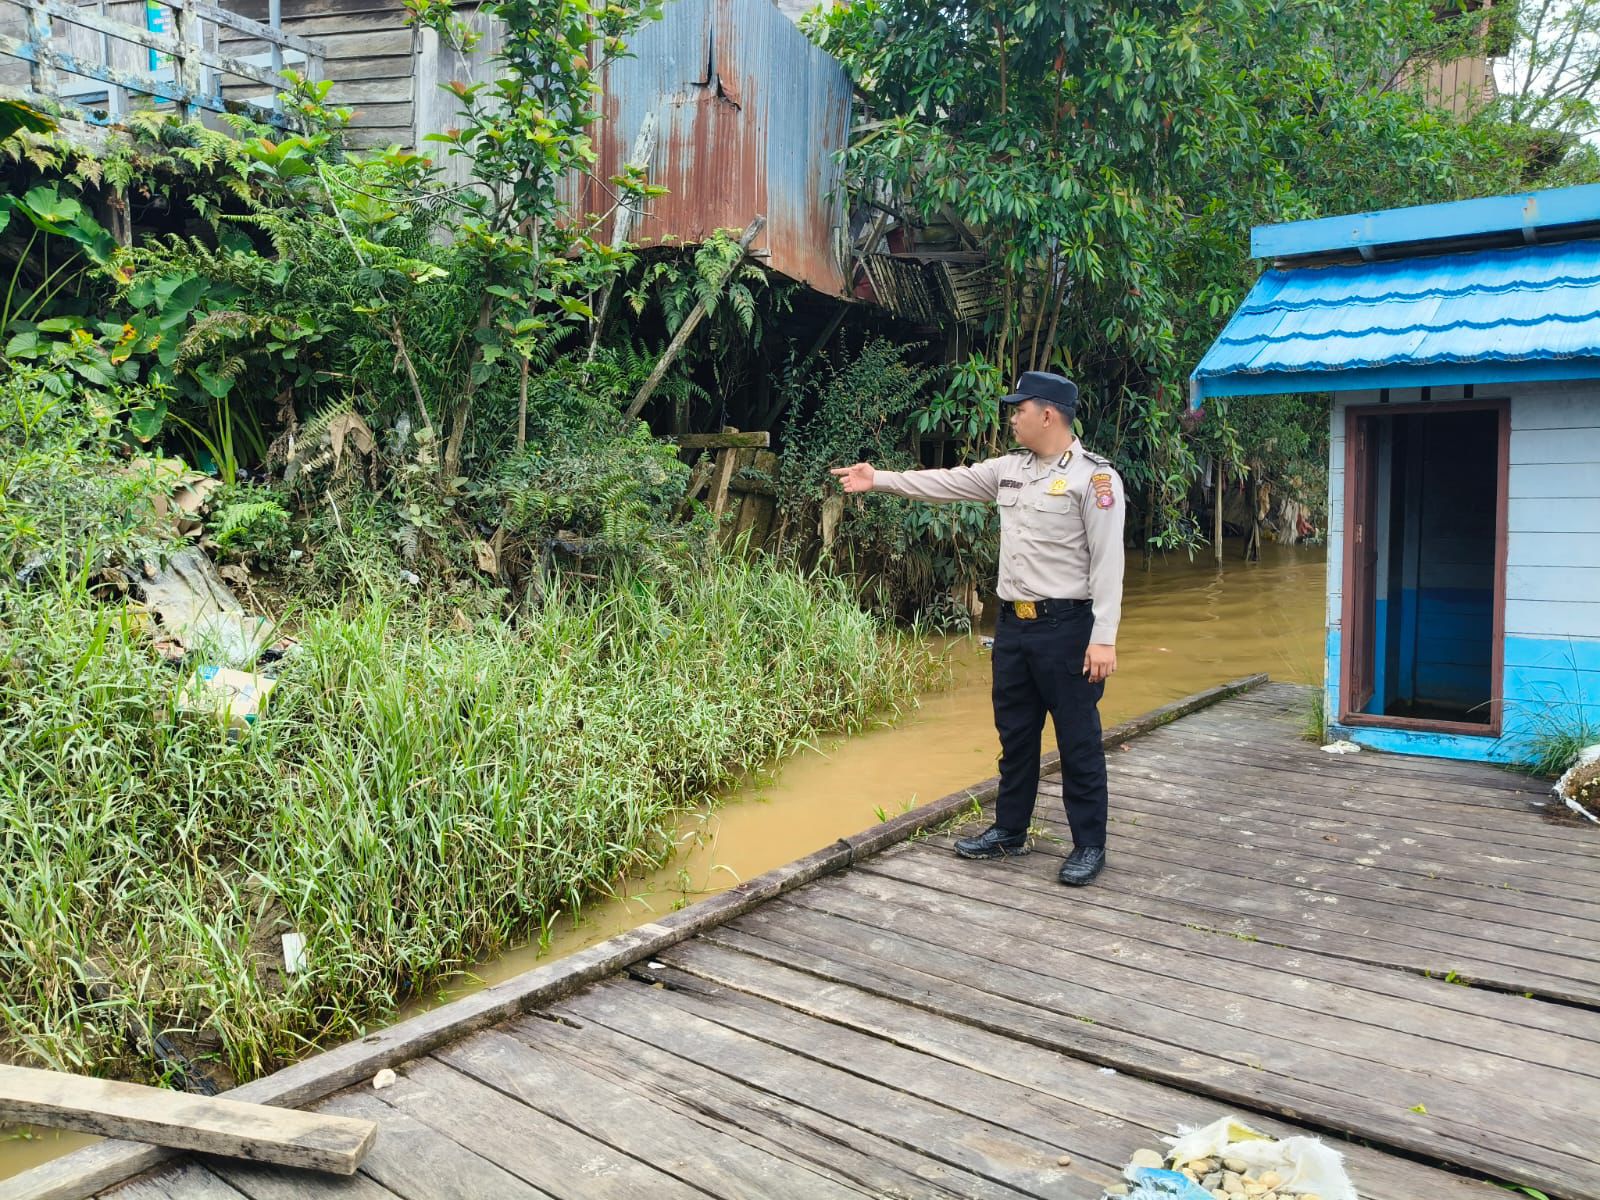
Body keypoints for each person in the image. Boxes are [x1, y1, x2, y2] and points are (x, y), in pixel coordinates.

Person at [830, 371, 1125, 886]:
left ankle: (1089, 845)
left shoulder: (1094, 480)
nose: (1012, 417)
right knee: (1015, 734)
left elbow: (1108, 564)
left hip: (1068, 629)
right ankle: (1009, 831)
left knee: (1078, 739)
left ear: (1048, 415)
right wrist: (878, 479)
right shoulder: (1008, 471)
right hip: (1013, 628)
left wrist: (1104, 637)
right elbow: (946, 482)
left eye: (1019, 409)